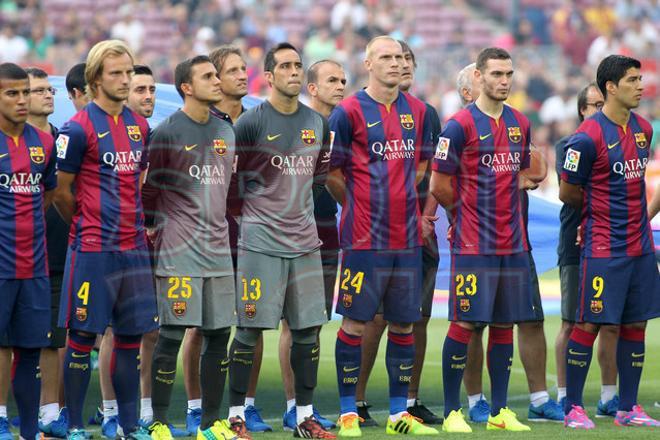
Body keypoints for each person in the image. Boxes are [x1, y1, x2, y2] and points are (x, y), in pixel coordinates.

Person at [327, 36, 439, 437]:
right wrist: (362, 205)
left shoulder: (421, 112)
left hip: (406, 239)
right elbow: (332, 175)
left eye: (399, 57)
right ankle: (347, 413)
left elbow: (424, 167)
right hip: (363, 239)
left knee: (405, 325)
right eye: (386, 58)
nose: (395, 64)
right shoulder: (348, 112)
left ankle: (397, 415)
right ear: (368, 63)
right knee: (356, 324)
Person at [431, 47, 545, 433]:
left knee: (503, 326)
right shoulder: (458, 126)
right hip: (473, 243)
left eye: (509, 73)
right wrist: (463, 216)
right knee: (465, 323)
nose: (504, 81)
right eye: (496, 73)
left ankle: (499, 412)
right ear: (478, 77)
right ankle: (451, 412)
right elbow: (439, 185)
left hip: (513, 244)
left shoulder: (520, 123)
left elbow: (525, 170)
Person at [226, 42, 334, 439]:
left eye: (297, 65)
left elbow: (318, 179)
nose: (293, 71)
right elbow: (230, 186)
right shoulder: (250, 124)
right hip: (260, 244)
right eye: (285, 66)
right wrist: (258, 219)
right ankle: (236, 415)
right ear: (269, 77)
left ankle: (304, 416)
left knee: (307, 330)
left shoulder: (316, 123)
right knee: (249, 330)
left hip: (305, 244)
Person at [54, 40, 158, 440]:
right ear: (96, 78)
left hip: (133, 250)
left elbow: (139, 181)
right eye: (116, 73)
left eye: (128, 72)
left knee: (131, 337)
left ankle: (130, 426)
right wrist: (87, 224)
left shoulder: (140, 126)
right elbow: (61, 192)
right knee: (81, 336)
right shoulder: (77, 129)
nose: (125, 79)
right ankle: (76, 424)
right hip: (93, 250)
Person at [142, 55, 242, 440]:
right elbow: (150, 191)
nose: (217, 81)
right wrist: (154, 227)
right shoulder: (167, 131)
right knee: (171, 333)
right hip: (180, 249)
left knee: (219, 335)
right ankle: (160, 422)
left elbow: (231, 188)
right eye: (208, 76)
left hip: (218, 250)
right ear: (186, 86)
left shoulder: (225, 130)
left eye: (217, 75)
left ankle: (210, 423)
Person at [559, 54, 660, 429]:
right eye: (633, 80)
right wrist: (600, 215)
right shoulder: (585, 138)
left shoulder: (644, 129)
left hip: (639, 247)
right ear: (611, 88)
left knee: (636, 325)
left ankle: (628, 408)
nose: (641, 86)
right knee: (589, 324)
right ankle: (573, 408)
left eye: (640, 79)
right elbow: (568, 191)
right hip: (603, 247)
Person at [279, 59, 348, 432]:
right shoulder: (296, 124)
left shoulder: (336, 127)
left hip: (327, 229)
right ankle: (292, 406)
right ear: (312, 88)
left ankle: (304, 406)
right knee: (292, 321)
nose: (340, 86)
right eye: (332, 80)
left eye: (343, 80)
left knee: (315, 320)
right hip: (292, 231)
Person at [553, 82, 621, 417]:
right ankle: (565, 396)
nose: (597, 110)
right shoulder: (570, 144)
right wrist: (606, 204)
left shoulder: (619, 143)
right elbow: (570, 191)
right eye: (592, 105)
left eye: (602, 104)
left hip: (610, 241)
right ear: (582, 110)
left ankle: (610, 396)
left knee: (611, 322)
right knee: (571, 322)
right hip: (576, 242)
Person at [0, 61, 57, 440]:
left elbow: (48, 192)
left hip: (34, 264)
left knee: (32, 347)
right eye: (12, 94)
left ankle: (30, 428)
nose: (22, 100)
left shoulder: (43, 143)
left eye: (26, 92)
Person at [23, 66, 71, 437]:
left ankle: (50, 413)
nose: (46, 96)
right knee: (11, 339)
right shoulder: (10, 142)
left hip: (58, 252)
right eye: (38, 90)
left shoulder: (64, 140)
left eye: (49, 90)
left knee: (56, 339)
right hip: (16, 253)